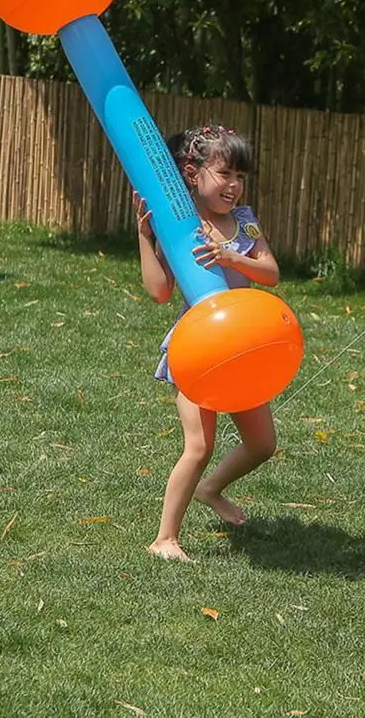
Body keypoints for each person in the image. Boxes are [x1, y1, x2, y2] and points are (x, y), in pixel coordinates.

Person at [135, 124, 280, 562]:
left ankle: (210, 489)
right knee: (199, 445)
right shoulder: (182, 225)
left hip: (242, 347)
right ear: (192, 174)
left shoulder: (245, 222)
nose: (234, 185)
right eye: (224, 174)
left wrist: (235, 257)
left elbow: (270, 274)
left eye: (240, 176)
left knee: (263, 444)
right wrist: (144, 237)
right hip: (199, 348)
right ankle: (164, 539)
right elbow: (159, 291)